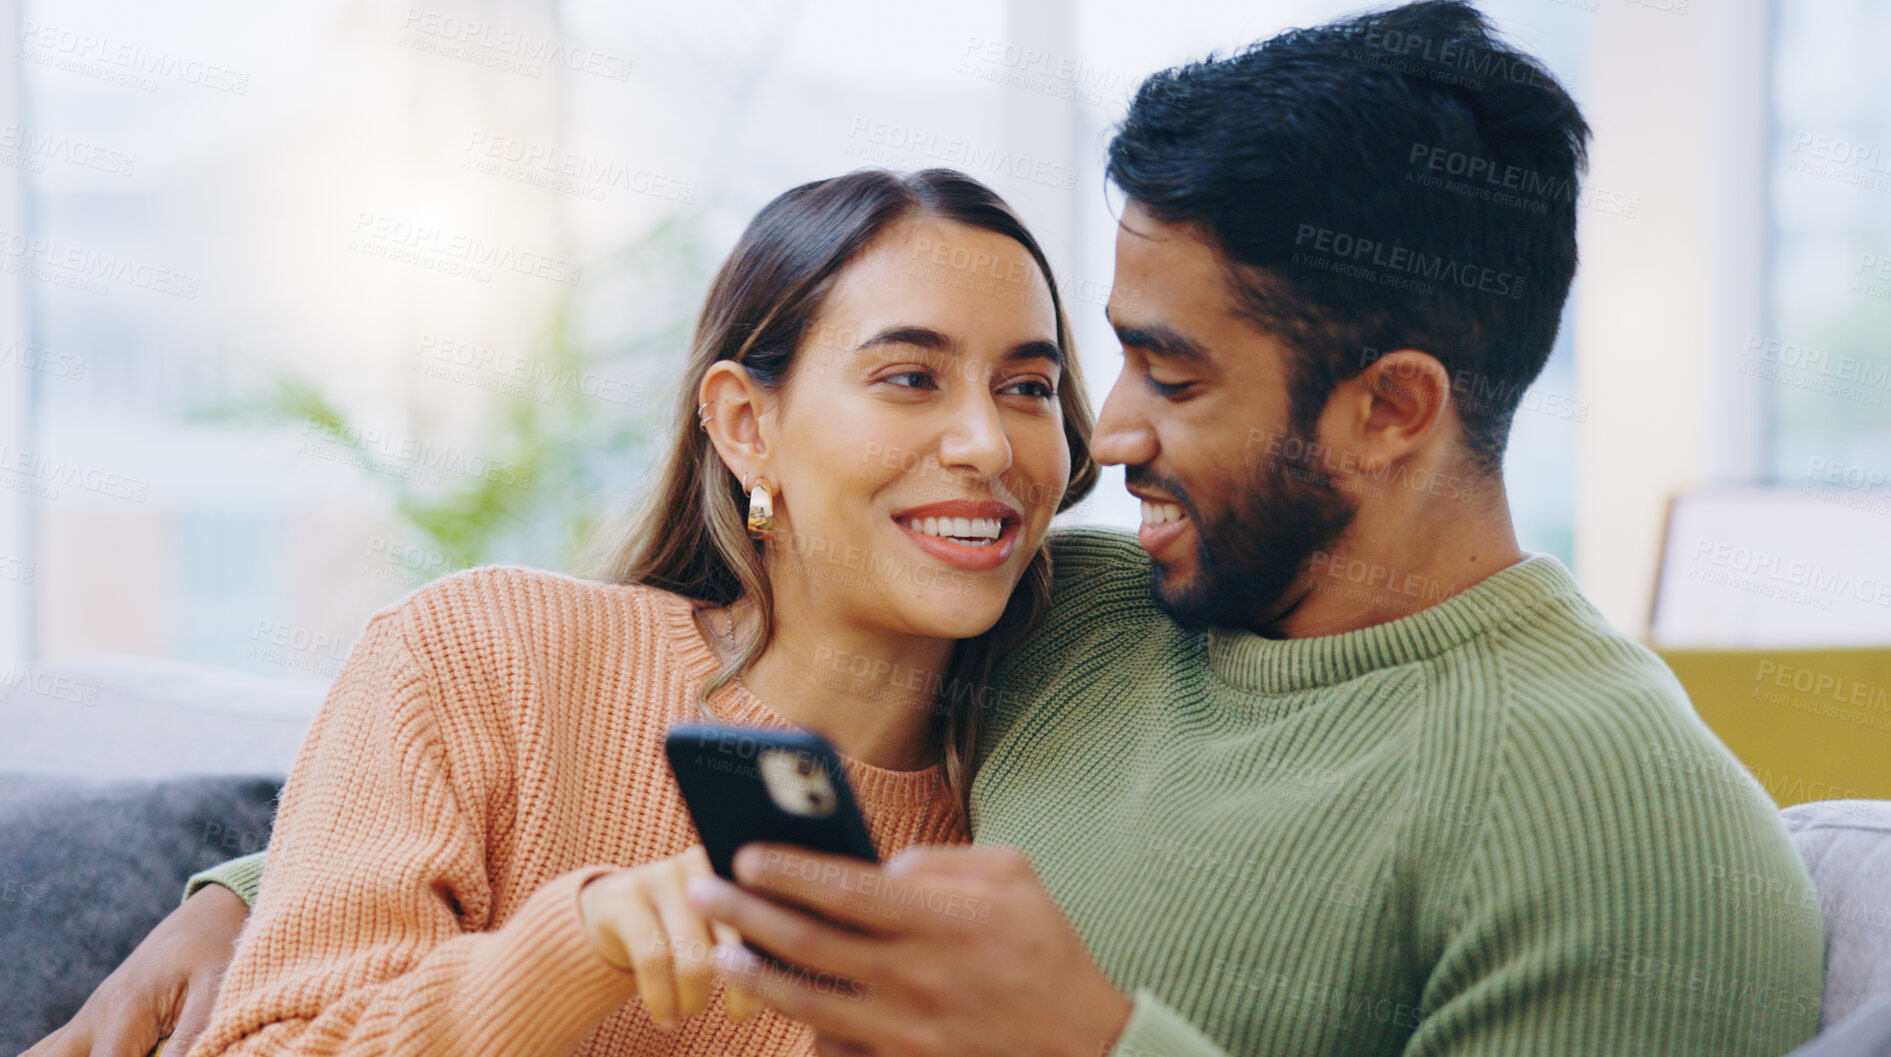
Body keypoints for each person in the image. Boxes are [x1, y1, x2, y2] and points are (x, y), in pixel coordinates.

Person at [33, 3, 1828, 1057]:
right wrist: (252, 885)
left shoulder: (1624, 823)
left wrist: (1093, 1041)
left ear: (1392, 408)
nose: (1080, 447)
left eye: (1154, 377)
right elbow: (643, 705)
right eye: (1099, 366)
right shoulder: (1098, 614)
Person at [22, 166, 1096, 1057]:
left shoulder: (1039, 821)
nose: (988, 446)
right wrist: (571, 948)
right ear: (744, 425)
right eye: (910, 377)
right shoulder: (480, 656)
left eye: (1027, 387)